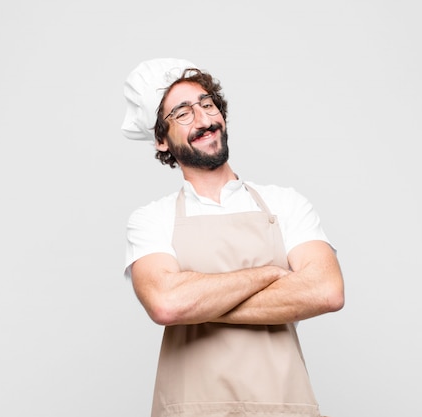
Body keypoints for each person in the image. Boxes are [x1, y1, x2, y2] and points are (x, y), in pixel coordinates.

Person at [122, 57, 345, 417]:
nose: (203, 119)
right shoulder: (151, 219)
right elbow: (167, 304)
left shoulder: (286, 202)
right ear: (161, 140)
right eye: (182, 113)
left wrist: (201, 302)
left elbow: (326, 291)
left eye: (207, 105)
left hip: (283, 406)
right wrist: (270, 274)